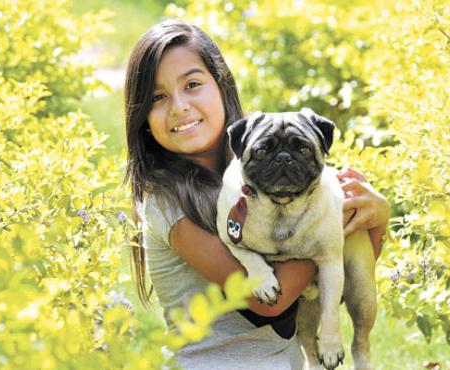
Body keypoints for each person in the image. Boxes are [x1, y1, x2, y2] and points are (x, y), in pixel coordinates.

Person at [124, 19, 390, 370]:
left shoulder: (261, 160)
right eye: (158, 97)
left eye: (192, 84)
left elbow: (340, 278)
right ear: (142, 115)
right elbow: (266, 301)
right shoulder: (166, 201)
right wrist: (329, 223)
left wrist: (375, 217)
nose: (178, 106)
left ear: (222, 86)